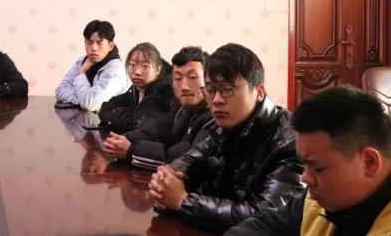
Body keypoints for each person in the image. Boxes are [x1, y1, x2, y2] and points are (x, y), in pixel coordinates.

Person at [149, 43, 304, 232]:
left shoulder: (290, 141)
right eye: (210, 90)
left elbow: (268, 217)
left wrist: (184, 201)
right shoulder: (226, 126)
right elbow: (192, 158)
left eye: (228, 89)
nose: (216, 100)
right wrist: (167, 180)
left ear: (259, 92)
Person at [224, 85, 391, 236]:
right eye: (304, 163)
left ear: (369, 162)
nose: (305, 178)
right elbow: (265, 225)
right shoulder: (319, 200)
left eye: (318, 168)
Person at [104, 46, 213, 170]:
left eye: (192, 77)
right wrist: (123, 140)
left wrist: (131, 150)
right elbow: (155, 130)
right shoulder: (182, 108)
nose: (184, 86)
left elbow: (181, 159)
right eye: (177, 78)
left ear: (209, 79)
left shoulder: (215, 116)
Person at [98, 42, 175, 133]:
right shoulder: (137, 87)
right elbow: (106, 107)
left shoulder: (164, 92)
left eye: (145, 66)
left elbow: (135, 124)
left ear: (158, 69)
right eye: (133, 65)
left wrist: (114, 114)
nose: (137, 72)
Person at [54, 20, 129, 111]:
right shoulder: (82, 61)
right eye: (89, 43)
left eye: (99, 43)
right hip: (84, 117)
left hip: (109, 120)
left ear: (110, 46)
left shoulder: (115, 69)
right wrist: (84, 100)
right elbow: (60, 90)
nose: (93, 48)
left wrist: (81, 73)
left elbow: (89, 104)